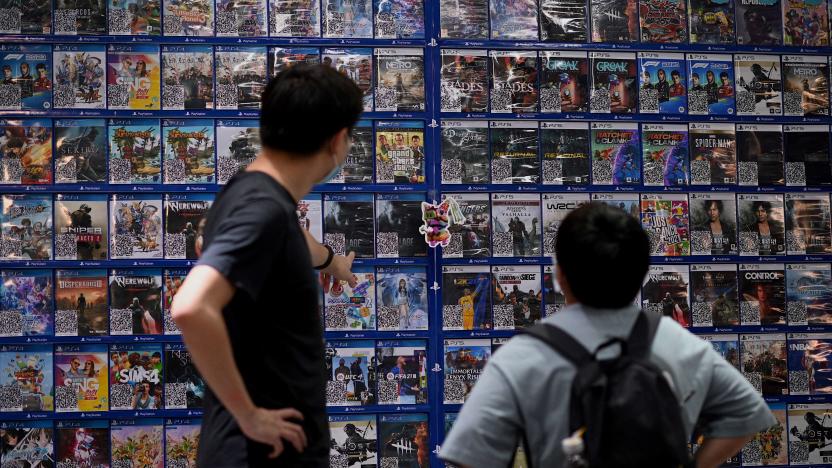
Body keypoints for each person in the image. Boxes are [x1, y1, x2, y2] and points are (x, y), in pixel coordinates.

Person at [440, 203, 775, 468]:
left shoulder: (520, 357)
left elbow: (470, 454)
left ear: (561, 274)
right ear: (643, 272)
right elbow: (747, 414)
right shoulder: (682, 345)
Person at [171, 65, 362, 467]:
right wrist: (249, 416)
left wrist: (334, 264)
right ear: (337, 140)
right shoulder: (264, 211)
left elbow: (290, 242)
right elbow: (191, 305)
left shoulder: (259, 195)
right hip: (259, 453)